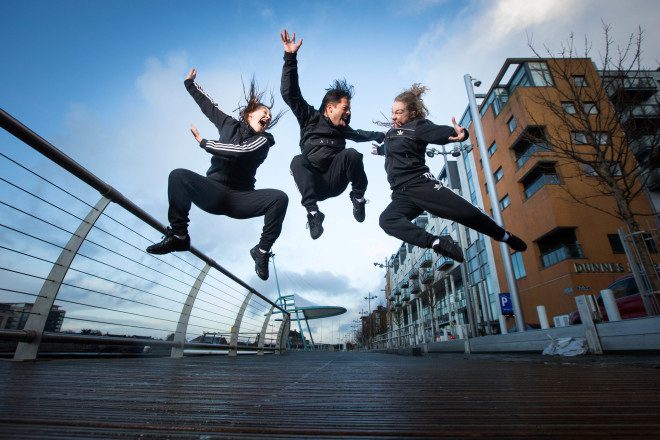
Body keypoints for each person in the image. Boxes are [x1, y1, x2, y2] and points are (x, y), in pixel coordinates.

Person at [146, 68, 288, 281]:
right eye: (264, 113)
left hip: (241, 199)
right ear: (250, 114)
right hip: (213, 192)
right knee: (178, 176)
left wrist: (205, 143)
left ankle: (261, 251)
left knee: (279, 198)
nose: (267, 117)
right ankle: (179, 235)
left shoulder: (264, 141)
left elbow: (241, 152)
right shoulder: (228, 124)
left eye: (269, 115)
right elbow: (208, 106)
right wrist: (190, 84)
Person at [374, 84, 527, 262]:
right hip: (402, 193)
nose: (394, 116)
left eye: (399, 112)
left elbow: (438, 133)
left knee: (467, 214)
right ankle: (437, 242)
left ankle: (504, 236)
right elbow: (393, 147)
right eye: (393, 112)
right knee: (387, 220)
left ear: (412, 113)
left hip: (422, 185)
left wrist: (458, 133)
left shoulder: (418, 127)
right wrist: (380, 150)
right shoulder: (392, 134)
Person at [280, 29, 385, 239]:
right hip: (313, 185)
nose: (348, 112)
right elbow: (290, 94)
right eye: (345, 108)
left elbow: (360, 134)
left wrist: (382, 135)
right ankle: (313, 214)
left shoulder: (343, 130)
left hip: (335, 182)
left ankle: (358, 198)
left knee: (352, 154)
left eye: (349, 109)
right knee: (296, 161)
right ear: (329, 108)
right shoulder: (309, 117)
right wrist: (290, 58)